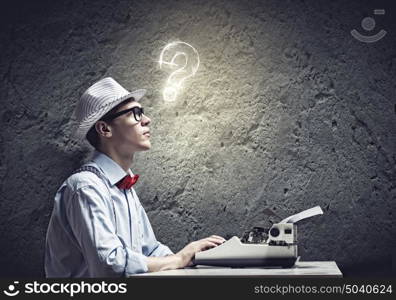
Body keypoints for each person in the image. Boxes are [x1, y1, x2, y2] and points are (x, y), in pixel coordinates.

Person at [45, 77, 225, 277]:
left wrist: (196, 259)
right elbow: (109, 265)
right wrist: (178, 259)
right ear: (105, 129)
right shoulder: (85, 187)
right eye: (136, 113)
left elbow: (150, 250)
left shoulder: (124, 184)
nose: (147, 120)